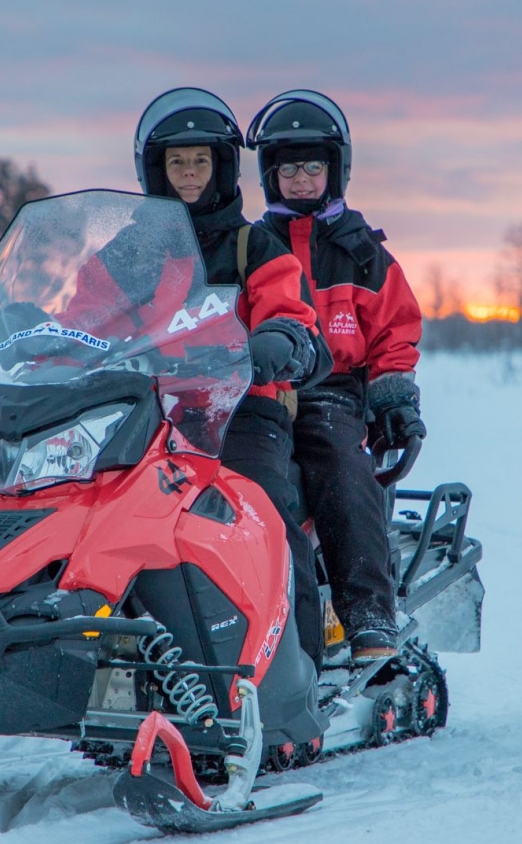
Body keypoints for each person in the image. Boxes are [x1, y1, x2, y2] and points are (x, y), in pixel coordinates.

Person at [132, 88, 333, 668]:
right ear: (157, 170)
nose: (189, 174)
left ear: (221, 166)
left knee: (260, 510)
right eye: (177, 162)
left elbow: (289, 307)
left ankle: (299, 663)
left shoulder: (253, 244)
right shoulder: (133, 252)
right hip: (149, 413)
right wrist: (40, 333)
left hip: (242, 408)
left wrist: (278, 339)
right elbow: (86, 312)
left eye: (200, 161)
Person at [248, 90, 425, 664]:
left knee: (343, 467)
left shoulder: (362, 254)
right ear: (271, 175)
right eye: (289, 168)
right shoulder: (252, 244)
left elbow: (395, 332)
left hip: (331, 391)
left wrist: (394, 396)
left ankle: (369, 613)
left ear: (334, 171)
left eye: (313, 167)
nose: (301, 179)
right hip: (259, 389)